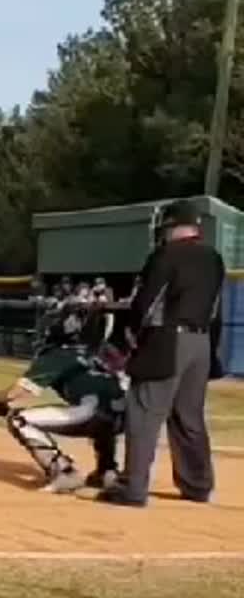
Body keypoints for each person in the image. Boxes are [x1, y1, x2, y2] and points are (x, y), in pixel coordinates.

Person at [99, 200, 225, 508]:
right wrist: (212, 352)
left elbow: (146, 303)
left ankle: (133, 488)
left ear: (172, 227)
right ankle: (198, 485)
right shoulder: (214, 258)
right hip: (201, 343)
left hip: (167, 340)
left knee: (144, 411)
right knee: (189, 418)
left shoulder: (165, 255)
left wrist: (130, 338)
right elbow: (216, 310)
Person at [0, 305, 125, 494]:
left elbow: (15, 393)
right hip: (124, 417)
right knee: (102, 411)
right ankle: (107, 471)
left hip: (93, 412)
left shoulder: (57, 354)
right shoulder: (93, 354)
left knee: (19, 420)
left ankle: (64, 472)